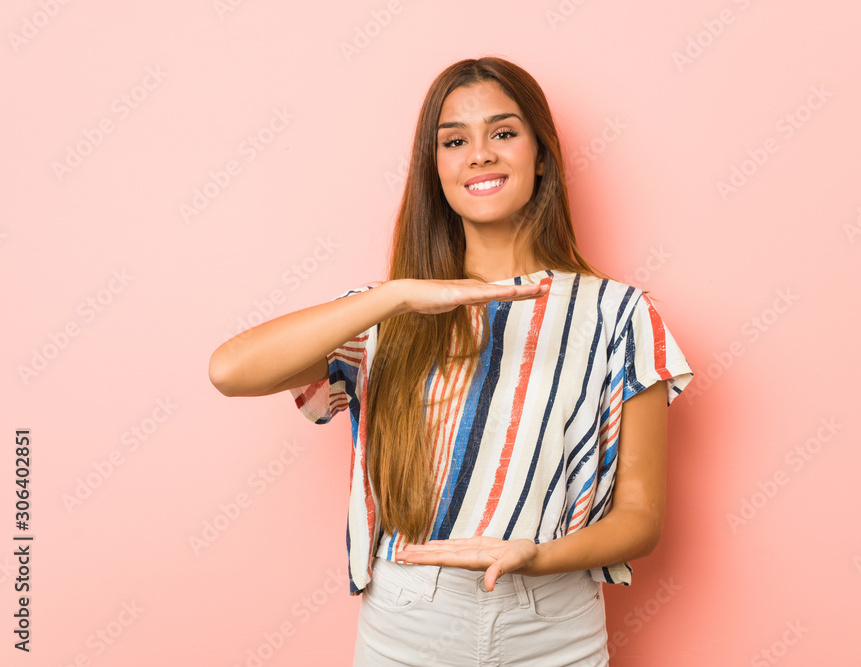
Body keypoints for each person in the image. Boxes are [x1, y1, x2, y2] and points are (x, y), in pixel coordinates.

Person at [208, 56, 694, 666]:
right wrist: (397, 295)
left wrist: (535, 556)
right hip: (411, 623)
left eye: (504, 133)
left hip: (554, 626)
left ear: (540, 154)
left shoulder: (620, 314)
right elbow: (230, 371)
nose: (480, 154)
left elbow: (641, 517)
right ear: (434, 168)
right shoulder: (385, 314)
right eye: (455, 140)